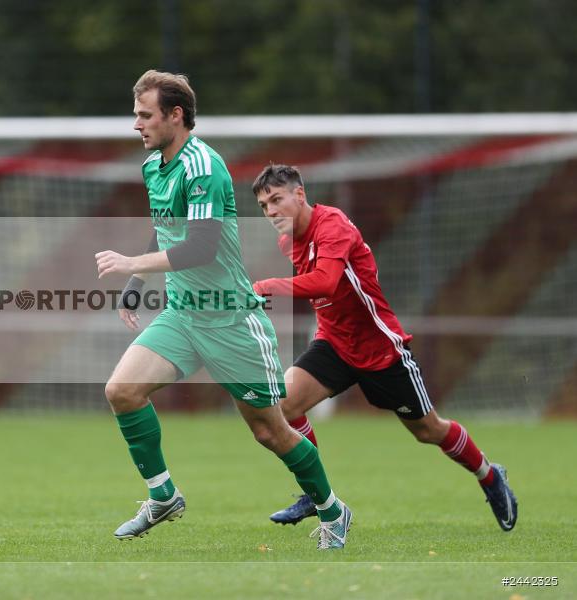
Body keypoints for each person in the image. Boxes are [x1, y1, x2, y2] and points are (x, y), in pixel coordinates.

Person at [94, 70, 352, 549]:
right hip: (183, 314)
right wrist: (137, 281)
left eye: (145, 115)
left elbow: (201, 247)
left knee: (271, 432)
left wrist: (132, 261)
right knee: (122, 390)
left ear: (176, 115)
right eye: (135, 115)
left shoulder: (203, 167)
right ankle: (163, 494)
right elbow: (168, 230)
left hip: (231, 319)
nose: (137, 125)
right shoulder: (153, 166)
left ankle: (333, 511)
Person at [250, 164, 517, 532]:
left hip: (380, 350)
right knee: (283, 406)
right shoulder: (289, 240)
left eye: (276, 200)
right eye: (264, 206)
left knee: (428, 430)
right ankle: (317, 495)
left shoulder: (333, 225)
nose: (270, 211)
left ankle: (489, 475)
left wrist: (265, 287)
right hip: (333, 345)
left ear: (299, 195)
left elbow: (326, 282)